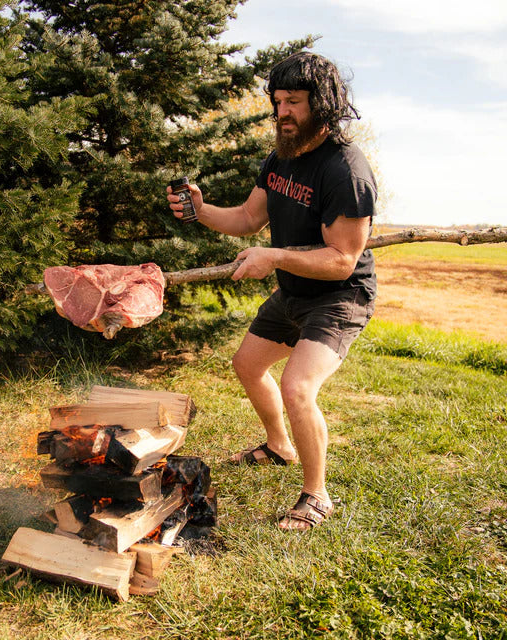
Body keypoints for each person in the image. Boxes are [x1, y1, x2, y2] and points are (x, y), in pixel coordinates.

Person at [167, 51, 377, 531]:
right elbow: (246, 218)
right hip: (295, 291)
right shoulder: (281, 157)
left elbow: (342, 258)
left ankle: (317, 494)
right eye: (278, 101)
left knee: (297, 386)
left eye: (294, 103)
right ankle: (279, 445)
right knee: (247, 364)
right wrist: (199, 210)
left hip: (340, 295)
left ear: (322, 105)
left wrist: (274, 257)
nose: (282, 112)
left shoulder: (346, 171)